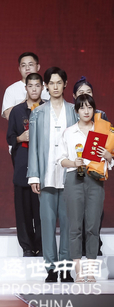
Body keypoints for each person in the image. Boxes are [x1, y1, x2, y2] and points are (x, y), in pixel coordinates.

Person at [27, 67, 77, 283]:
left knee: (68, 223)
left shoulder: (74, 111)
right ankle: (51, 268)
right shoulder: (38, 112)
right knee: (47, 223)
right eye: (51, 83)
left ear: (65, 84)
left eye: (59, 82)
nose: (55, 87)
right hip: (46, 175)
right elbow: (34, 146)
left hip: (69, 175)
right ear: (46, 85)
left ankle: (65, 267)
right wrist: (34, 175)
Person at [58, 94, 111, 282]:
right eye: (82, 107)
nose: (86, 111)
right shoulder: (69, 132)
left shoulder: (102, 131)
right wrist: (73, 162)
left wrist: (108, 155)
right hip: (74, 179)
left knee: (92, 226)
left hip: (95, 180)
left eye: (89, 107)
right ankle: (79, 271)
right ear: (77, 111)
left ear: (94, 109)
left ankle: (90, 271)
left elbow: (110, 159)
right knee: (75, 227)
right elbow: (60, 159)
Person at [6, 73, 44, 257]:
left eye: (37, 85)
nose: (34, 89)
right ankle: (27, 247)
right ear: (26, 88)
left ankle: (42, 245)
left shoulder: (48, 109)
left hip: (43, 168)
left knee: (42, 210)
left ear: (42, 87)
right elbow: (10, 137)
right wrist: (20, 138)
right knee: (23, 211)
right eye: (31, 86)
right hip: (23, 165)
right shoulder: (17, 111)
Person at [71, 76, 106, 256]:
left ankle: (94, 247)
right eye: (81, 93)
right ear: (74, 96)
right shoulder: (70, 115)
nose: (85, 96)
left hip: (94, 170)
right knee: (76, 213)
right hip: (74, 170)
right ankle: (79, 249)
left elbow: (106, 143)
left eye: (88, 92)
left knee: (94, 212)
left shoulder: (100, 116)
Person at [2, 52, 50, 121]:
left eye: (30, 65)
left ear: (38, 67)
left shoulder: (48, 87)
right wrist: (25, 101)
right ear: (19, 69)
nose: (27, 68)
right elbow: (8, 116)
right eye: (23, 65)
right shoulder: (11, 89)